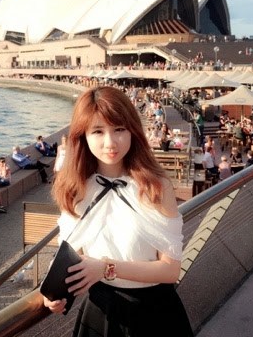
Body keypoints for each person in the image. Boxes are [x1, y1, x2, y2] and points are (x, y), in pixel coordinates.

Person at [43, 86, 193, 336]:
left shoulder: (156, 187)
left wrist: (105, 268)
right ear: (83, 136)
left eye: (119, 129)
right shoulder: (74, 189)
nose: (110, 143)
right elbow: (70, 255)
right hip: (100, 312)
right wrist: (53, 293)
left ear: (133, 130)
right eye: (98, 131)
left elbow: (170, 270)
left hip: (155, 313)